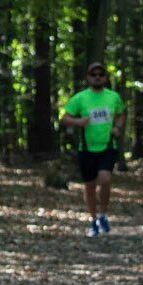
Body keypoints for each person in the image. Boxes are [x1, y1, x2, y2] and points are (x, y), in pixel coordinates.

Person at [60, 62, 125, 237]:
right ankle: (93, 219)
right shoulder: (80, 98)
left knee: (105, 179)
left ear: (105, 78)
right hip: (86, 148)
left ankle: (103, 214)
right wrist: (78, 122)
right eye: (94, 74)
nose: (97, 77)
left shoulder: (113, 97)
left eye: (101, 74)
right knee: (89, 186)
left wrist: (117, 128)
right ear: (88, 77)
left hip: (107, 146)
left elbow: (121, 114)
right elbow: (64, 118)